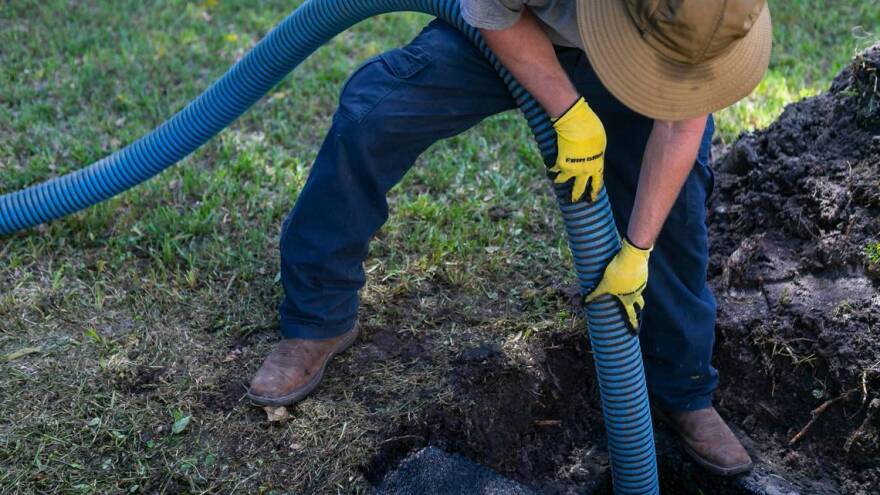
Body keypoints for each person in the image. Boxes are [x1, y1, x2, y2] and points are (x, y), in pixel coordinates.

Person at [247, 0, 771, 477]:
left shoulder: (715, 19)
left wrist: (636, 251)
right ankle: (317, 318)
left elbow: (681, 126)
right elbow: (494, 11)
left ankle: (684, 388)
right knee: (371, 118)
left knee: (674, 216)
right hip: (521, 29)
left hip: (647, 69)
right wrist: (568, 111)